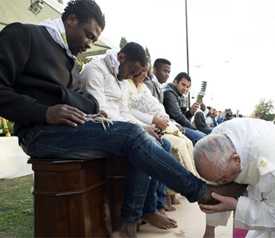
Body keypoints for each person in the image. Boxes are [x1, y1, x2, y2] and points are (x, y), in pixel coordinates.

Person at [0, 1, 247, 237]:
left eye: (94, 40)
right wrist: (43, 112)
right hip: (38, 133)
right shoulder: (24, 35)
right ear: (71, 20)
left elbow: (83, 100)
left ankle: (130, 223)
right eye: (88, 35)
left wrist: (89, 108)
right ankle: (200, 192)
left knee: (144, 141)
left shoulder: (67, 58)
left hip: (68, 128)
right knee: (132, 135)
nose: (89, 44)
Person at [80, 46, 177, 230]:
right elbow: (101, 112)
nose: (131, 76)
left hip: (121, 128)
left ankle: (151, 208)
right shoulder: (94, 70)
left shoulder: (121, 79)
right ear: (121, 57)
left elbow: (124, 112)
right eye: (131, 71)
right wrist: (138, 129)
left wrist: (146, 127)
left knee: (162, 144)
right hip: (101, 128)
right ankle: (134, 216)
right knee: (143, 144)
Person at [124, 59, 199, 212]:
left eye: (146, 71)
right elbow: (126, 110)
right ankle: (164, 199)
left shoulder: (144, 86)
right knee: (172, 145)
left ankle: (187, 186)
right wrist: (154, 120)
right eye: (142, 70)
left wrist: (165, 120)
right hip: (145, 126)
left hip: (159, 125)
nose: (144, 74)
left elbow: (160, 109)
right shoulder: (126, 84)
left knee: (186, 142)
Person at [163, 72, 206, 145]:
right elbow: (178, 116)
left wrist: (190, 112)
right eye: (183, 85)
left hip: (178, 125)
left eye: (187, 86)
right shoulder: (169, 93)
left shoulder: (180, 95)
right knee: (202, 138)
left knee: (204, 136)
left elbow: (183, 116)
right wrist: (193, 128)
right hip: (171, 125)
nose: (185, 88)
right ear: (175, 82)